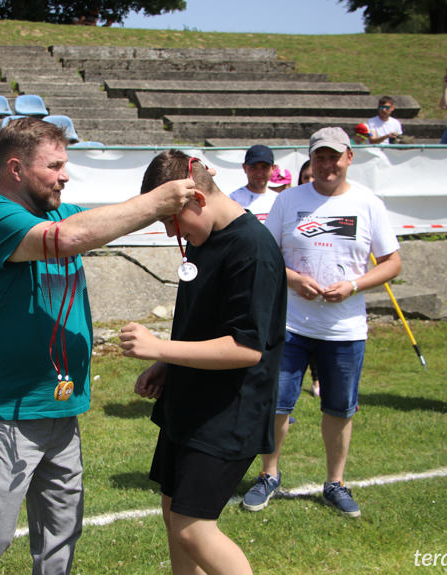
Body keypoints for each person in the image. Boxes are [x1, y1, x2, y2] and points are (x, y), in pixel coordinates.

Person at [0, 117, 196, 574]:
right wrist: (156, 200)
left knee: (62, 529)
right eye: (55, 165)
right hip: (8, 413)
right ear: (16, 169)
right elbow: (69, 240)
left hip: (61, 407)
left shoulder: (61, 211)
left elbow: (95, 224)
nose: (66, 174)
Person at [119, 150, 287, 575]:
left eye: (170, 221)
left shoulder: (252, 249)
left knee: (194, 527)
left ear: (197, 199)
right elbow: (202, 324)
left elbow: (246, 348)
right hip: (191, 401)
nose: (169, 231)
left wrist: (159, 348)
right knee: (174, 510)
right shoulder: (203, 239)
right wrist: (169, 365)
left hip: (229, 410)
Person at [242, 127, 401, 517]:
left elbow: (393, 262)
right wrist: (293, 279)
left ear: (349, 158)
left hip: (345, 330)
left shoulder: (369, 203)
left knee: (339, 409)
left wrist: (353, 285)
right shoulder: (288, 201)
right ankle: (269, 475)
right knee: (277, 405)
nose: (327, 164)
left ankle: (335, 483)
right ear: (310, 161)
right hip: (291, 326)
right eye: (319, 157)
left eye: (334, 156)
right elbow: (266, 254)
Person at [296, 159, 321, 398]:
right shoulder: (289, 203)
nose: (311, 181)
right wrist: (293, 280)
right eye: (306, 177)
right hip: (292, 296)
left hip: (325, 294)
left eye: (314, 176)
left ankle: (316, 379)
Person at [229, 144, 277, 221]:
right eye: (253, 167)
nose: (259, 173)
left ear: (273, 168)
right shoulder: (233, 200)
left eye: (264, 167)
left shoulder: (279, 199)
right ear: (244, 168)